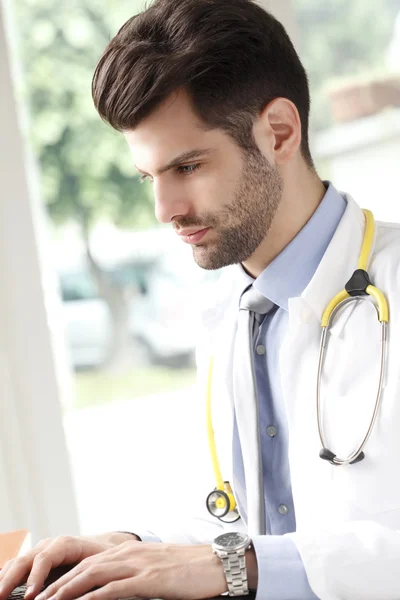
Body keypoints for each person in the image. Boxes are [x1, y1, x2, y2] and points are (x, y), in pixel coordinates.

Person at [1, 0, 400, 598]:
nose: (164, 211)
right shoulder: (231, 310)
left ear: (279, 133)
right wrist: (133, 547)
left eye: (187, 166)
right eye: (150, 177)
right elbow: (245, 522)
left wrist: (229, 568)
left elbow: (270, 556)